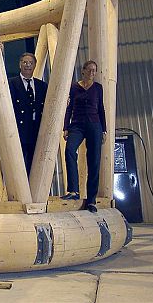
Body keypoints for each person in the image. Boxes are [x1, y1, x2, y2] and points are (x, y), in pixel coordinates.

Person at [62, 60, 107, 213]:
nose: (92, 73)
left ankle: (91, 200)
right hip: (77, 124)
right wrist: (66, 127)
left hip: (94, 125)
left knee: (93, 160)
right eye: (89, 70)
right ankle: (73, 191)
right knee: (69, 151)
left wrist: (104, 130)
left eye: (94, 71)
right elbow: (69, 108)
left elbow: (101, 108)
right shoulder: (74, 87)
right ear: (83, 71)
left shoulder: (98, 88)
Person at [8, 53, 48, 175]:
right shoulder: (11, 83)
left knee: (34, 164)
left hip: (36, 130)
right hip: (18, 131)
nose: (28, 65)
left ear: (35, 65)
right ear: (20, 64)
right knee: (17, 165)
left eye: (31, 63)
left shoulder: (42, 85)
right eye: (25, 62)